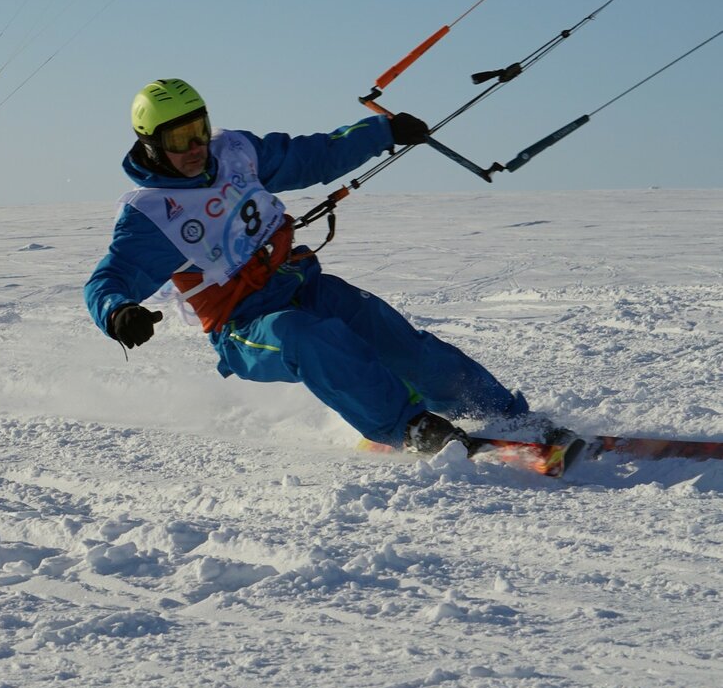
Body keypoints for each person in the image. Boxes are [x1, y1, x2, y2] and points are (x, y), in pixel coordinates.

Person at [85, 78, 556, 455]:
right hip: (244, 324)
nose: (194, 147)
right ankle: (408, 428)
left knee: (391, 335)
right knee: (310, 339)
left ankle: (501, 413)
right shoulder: (151, 212)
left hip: (299, 281)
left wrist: (383, 133)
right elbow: (110, 278)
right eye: (178, 138)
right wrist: (118, 311)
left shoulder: (235, 151)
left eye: (199, 130)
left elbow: (312, 155)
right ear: (149, 143)